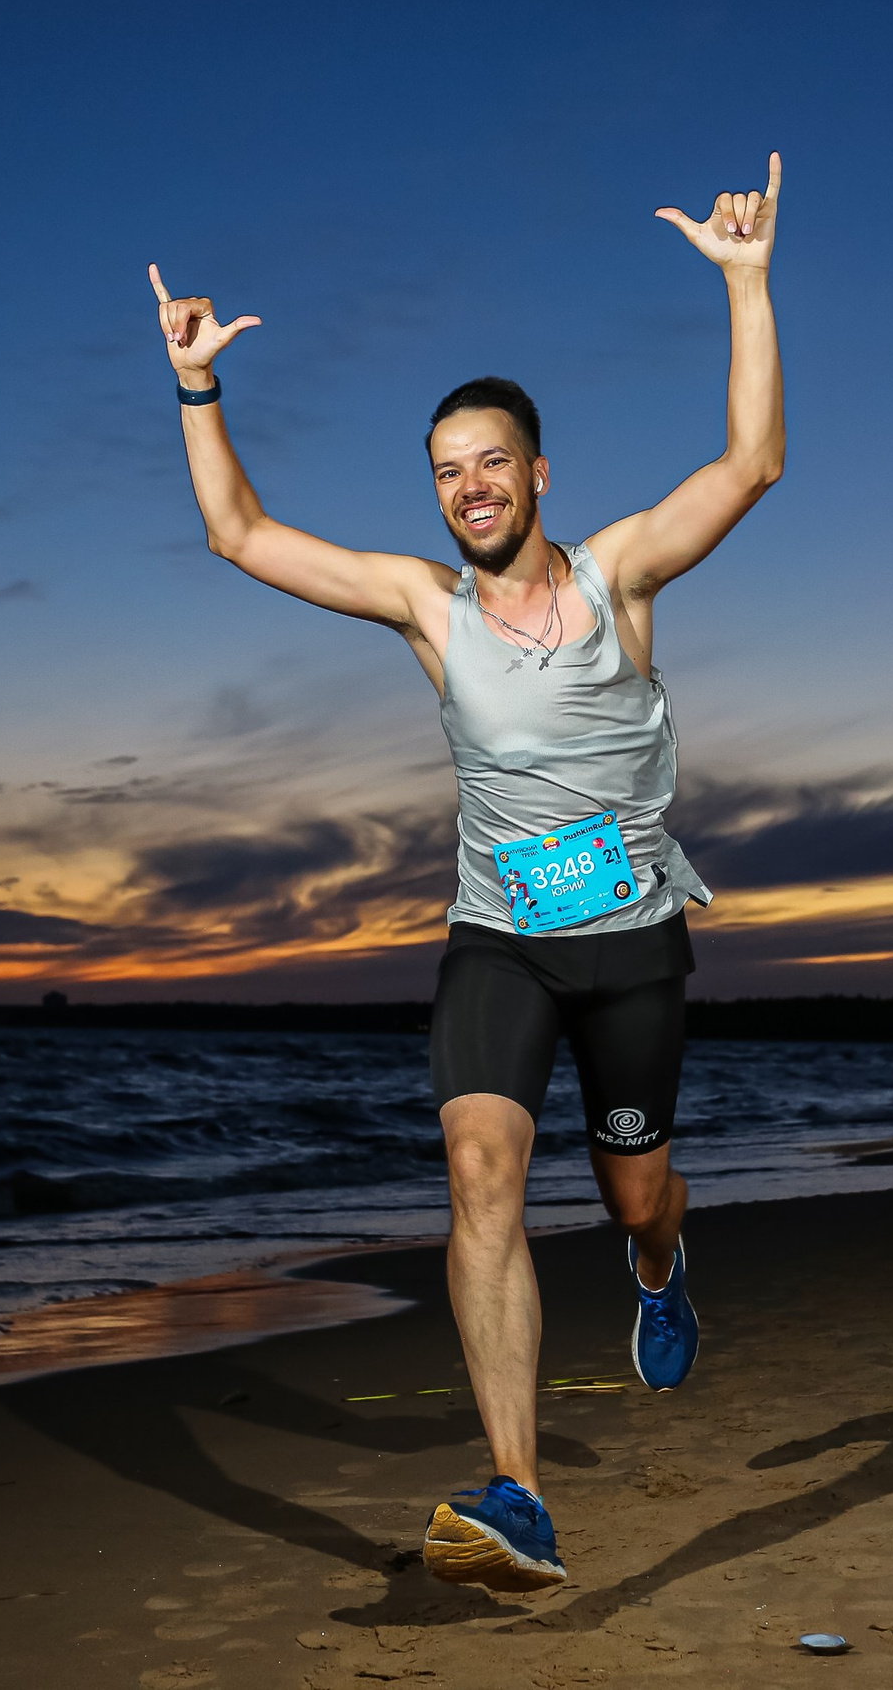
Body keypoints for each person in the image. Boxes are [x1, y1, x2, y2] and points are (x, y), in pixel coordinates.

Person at [150, 152, 785, 1593]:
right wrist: (199, 389)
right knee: (480, 1166)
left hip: (632, 947)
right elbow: (238, 535)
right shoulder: (427, 611)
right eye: (445, 472)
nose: (468, 488)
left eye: (491, 461)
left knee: (636, 1194)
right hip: (499, 938)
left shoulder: (622, 575)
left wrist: (746, 287)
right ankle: (518, 1495)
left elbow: (751, 465)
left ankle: (660, 1264)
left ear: (540, 471)